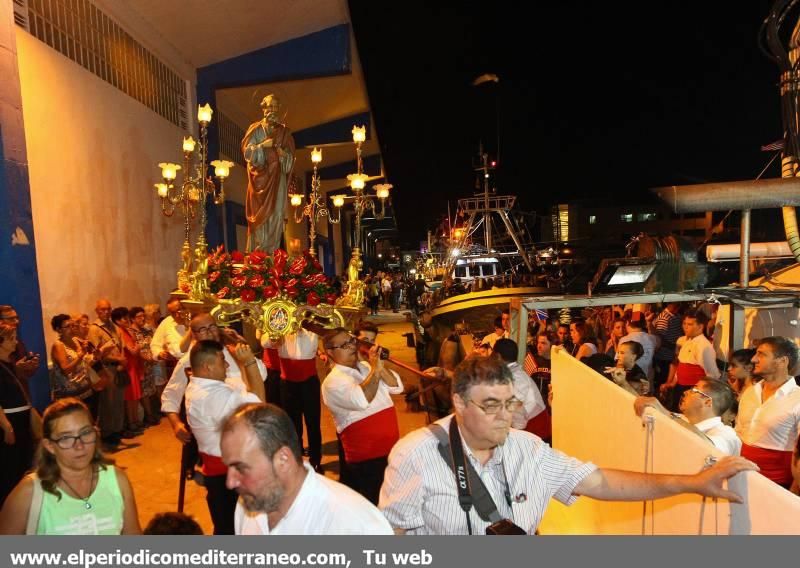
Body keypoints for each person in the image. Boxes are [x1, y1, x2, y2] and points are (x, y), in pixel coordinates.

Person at [379, 356, 756, 535]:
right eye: (490, 405)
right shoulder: (415, 454)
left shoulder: (529, 449)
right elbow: (394, 538)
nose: (505, 416)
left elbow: (602, 482)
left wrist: (692, 481)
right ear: (459, 403)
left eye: (510, 404)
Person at [220, 403, 393, 534]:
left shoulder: (357, 526)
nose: (230, 482)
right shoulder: (248, 504)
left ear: (283, 459)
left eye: (241, 468)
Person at [0, 398, 141, 534]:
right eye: (65, 438)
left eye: (85, 433)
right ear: (50, 446)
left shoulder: (117, 480)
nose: (79, 445)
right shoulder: (29, 492)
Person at [186, 340, 264, 534]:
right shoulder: (210, 395)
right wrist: (249, 363)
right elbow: (259, 405)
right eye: (223, 361)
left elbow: (246, 387)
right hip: (225, 474)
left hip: (222, 469)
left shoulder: (206, 384)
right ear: (207, 367)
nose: (227, 365)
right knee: (231, 529)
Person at [321, 328, 403, 504]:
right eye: (344, 345)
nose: (351, 347)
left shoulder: (366, 366)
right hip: (368, 459)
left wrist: (378, 367)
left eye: (351, 341)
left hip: (392, 449)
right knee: (375, 504)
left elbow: (397, 386)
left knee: (395, 501)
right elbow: (361, 399)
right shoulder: (332, 382)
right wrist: (376, 369)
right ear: (330, 352)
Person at [735, 337, 800, 488]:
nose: (753, 359)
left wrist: (794, 491)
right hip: (742, 479)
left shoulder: (797, 398)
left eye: (761, 354)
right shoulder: (750, 392)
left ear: (783, 361)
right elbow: (739, 432)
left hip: (779, 486)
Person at [241, 93, 296, 253]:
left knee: (277, 212)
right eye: (269, 106)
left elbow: (290, 160)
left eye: (274, 106)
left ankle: (271, 251)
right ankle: (258, 252)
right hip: (258, 180)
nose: (271, 109)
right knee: (258, 217)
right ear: (263, 108)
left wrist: (283, 155)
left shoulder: (285, 133)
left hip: (277, 178)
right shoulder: (255, 129)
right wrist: (263, 146)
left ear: (278, 109)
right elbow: (247, 153)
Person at [634, 378, 741, 455]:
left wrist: (666, 414)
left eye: (694, 391)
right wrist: (624, 384)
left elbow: (709, 448)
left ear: (707, 402)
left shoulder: (727, 434)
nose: (685, 392)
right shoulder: (684, 420)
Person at [0, 323, 38, 506]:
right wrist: (6, 426)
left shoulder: (9, 364)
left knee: (22, 465)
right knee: (10, 469)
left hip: (20, 422)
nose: (16, 342)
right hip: (9, 423)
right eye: (12, 339)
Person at [660, 309, 720, 410]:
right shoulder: (685, 341)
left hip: (694, 391)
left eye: (690, 324)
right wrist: (672, 383)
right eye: (684, 323)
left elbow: (712, 374)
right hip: (680, 388)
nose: (685, 327)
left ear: (700, 326)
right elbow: (680, 366)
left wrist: (699, 393)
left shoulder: (704, 346)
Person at [87, 299, 127, 447]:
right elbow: (95, 353)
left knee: (118, 402)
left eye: (108, 309)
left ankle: (117, 430)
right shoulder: (95, 329)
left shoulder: (114, 327)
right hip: (105, 369)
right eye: (102, 309)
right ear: (97, 311)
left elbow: (121, 344)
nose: (105, 312)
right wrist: (118, 359)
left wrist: (122, 360)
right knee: (108, 403)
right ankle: (107, 433)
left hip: (118, 368)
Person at [492, 339, 546, 431]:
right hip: (528, 425)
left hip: (536, 430)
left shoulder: (515, 378)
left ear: (498, 356)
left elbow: (518, 417)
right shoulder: (511, 374)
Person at [49, 315, 97, 416]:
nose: (71, 328)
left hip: (85, 390)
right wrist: (80, 356)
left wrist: (93, 357)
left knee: (90, 420)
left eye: (72, 325)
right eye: (67, 326)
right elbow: (66, 369)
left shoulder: (75, 340)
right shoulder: (59, 345)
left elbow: (82, 363)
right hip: (70, 395)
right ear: (58, 330)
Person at [127, 306, 160, 426]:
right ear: (132, 319)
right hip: (140, 366)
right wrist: (146, 359)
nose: (142, 318)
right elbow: (135, 350)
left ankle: (150, 413)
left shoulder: (146, 330)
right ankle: (147, 416)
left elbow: (153, 344)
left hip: (150, 364)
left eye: (143, 316)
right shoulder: (131, 332)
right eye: (139, 316)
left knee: (150, 390)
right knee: (143, 392)